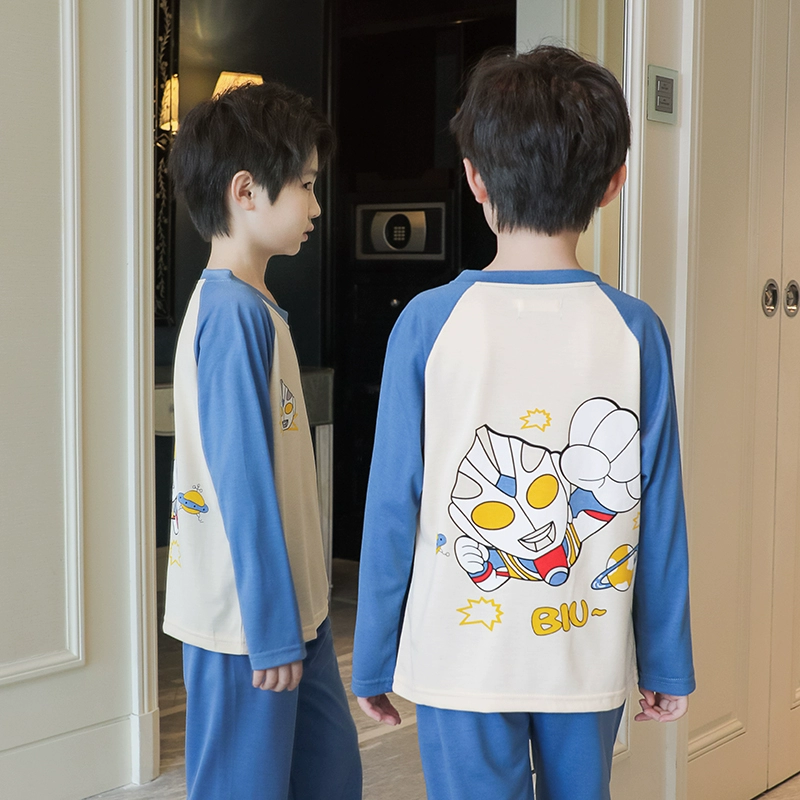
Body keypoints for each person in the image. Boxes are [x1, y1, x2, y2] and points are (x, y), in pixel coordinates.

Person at [351, 46, 695, 800]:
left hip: (459, 658)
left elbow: (392, 503)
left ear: (474, 178)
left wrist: (374, 653)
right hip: (585, 653)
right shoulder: (636, 330)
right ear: (614, 183)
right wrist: (666, 659)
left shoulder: (427, 324)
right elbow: (659, 508)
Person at [163, 81, 361, 800]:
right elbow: (241, 485)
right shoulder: (229, 315)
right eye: (306, 185)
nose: (316, 205)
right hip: (246, 625)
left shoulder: (255, 306)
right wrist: (274, 631)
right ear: (246, 192)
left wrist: (296, 621)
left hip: (294, 610)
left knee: (332, 776)